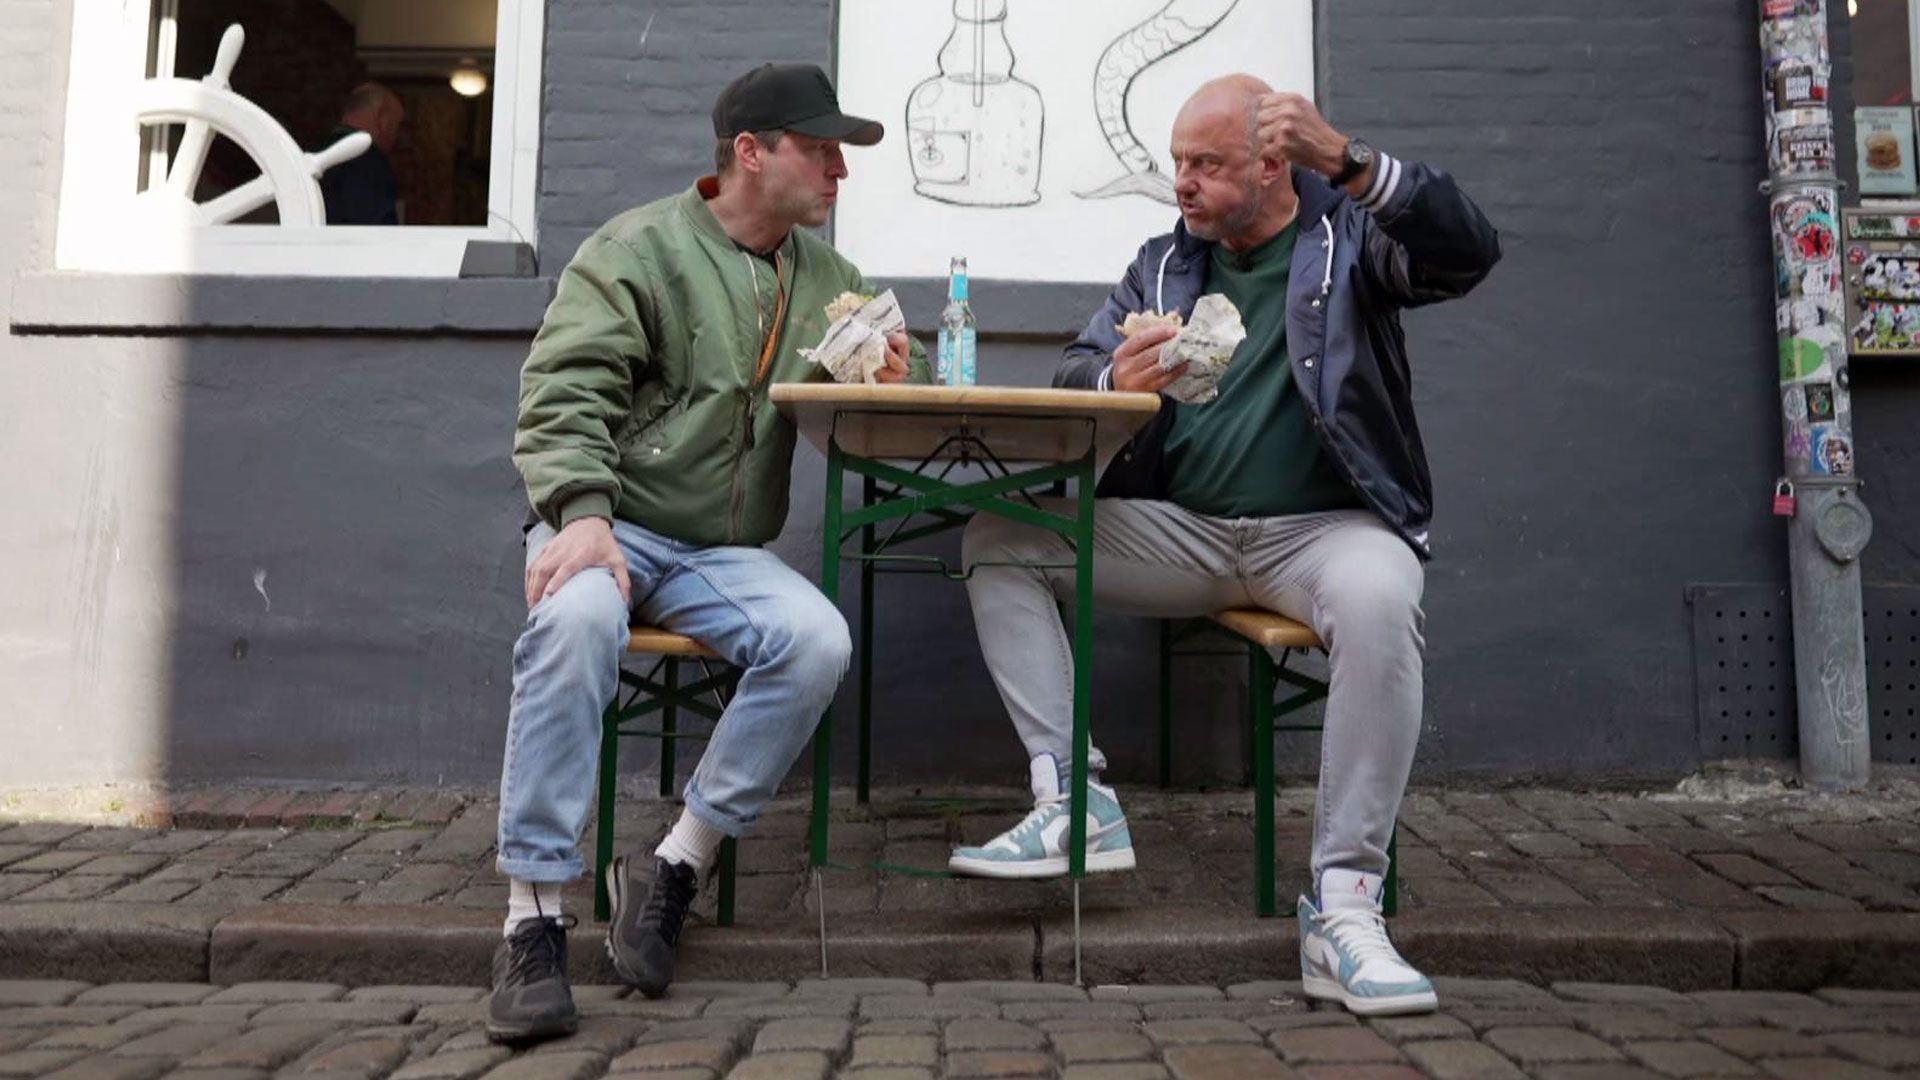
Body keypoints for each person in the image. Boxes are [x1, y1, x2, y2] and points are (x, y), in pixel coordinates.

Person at [950, 74, 1499, 1017]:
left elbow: (1467, 253)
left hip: (1322, 534)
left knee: (1382, 597)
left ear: (1273, 165)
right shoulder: (1164, 263)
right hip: (1186, 534)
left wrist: (1354, 164)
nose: (1183, 182)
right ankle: (1075, 803)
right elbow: (1077, 368)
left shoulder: (1350, 241)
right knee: (1000, 537)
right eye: (1177, 162)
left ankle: (1344, 910)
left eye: (1206, 163)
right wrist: (1111, 380)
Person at [486, 62, 926, 1044]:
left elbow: (909, 381)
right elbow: (563, 394)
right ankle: (532, 920)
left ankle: (675, 866)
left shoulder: (830, 280)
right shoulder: (636, 249)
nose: (839, 173)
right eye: (821, 151)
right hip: (610, 523)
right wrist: (583, 515)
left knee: (816, 640)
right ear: (750, 153)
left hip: (723, 554)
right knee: (574, 622)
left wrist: (896, 373)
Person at [320, 82, 403, 224]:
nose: (396, 137)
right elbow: (380, 228)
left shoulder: (313, 154)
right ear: (382, 119)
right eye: (396, 126)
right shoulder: (372, 165)